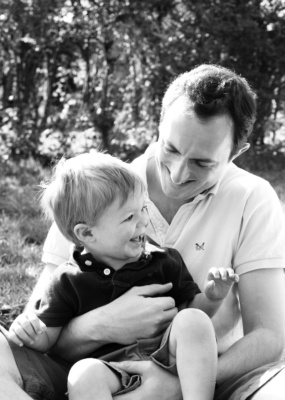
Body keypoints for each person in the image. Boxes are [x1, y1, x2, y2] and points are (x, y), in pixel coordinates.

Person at [0, 64, 285, 400]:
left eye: (202, 163)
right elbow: (40, 332)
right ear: (159, 124)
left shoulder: (252, 198)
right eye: (172, 149)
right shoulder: (96, 191)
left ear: (236, 152)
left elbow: (267, 336)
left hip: (207, 381)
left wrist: (184, 378)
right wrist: (102, 324)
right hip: (85, 381)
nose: (178, 174)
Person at [7, 152, 239, 400]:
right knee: (83, 374)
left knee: (193, 319)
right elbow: (49, 342)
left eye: (142, 209)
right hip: (110, 373)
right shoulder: (68, 280)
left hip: (164, 359)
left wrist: (213, 298)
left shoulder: (163, 261)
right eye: (129, 217)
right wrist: (31, 331)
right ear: (87, 233)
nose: (143, 222)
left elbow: (190, 312)